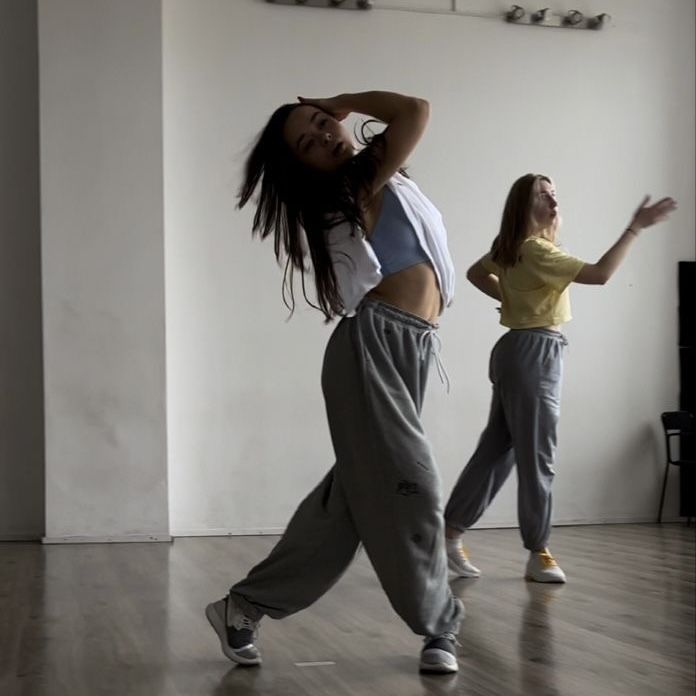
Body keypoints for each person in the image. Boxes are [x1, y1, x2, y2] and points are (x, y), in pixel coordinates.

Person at [205, 91, 463, 674]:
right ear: (301, 164)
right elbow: (417, 109)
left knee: (346, 504)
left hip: (409, 348)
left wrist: (332, 109)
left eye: (324, 125)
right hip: (373, 345)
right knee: (412, 486)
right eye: (308, 141)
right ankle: (440, 626)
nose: (325, 136)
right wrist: (343, 101)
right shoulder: (352, 184)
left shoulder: (379, 179)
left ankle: (242, 608)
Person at [444, 174, 676, 583]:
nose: (553, 198)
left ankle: (448, 535)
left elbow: (475, 274)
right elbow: (601, 274)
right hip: (535, 354)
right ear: (523, 205)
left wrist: (512, 300)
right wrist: (635, 227)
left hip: (516, 350)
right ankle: (539, 551)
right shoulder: (537, 250)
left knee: (498, 450)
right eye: (542, 193)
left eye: (554, 193)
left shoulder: (511, 247)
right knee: (538, 455)